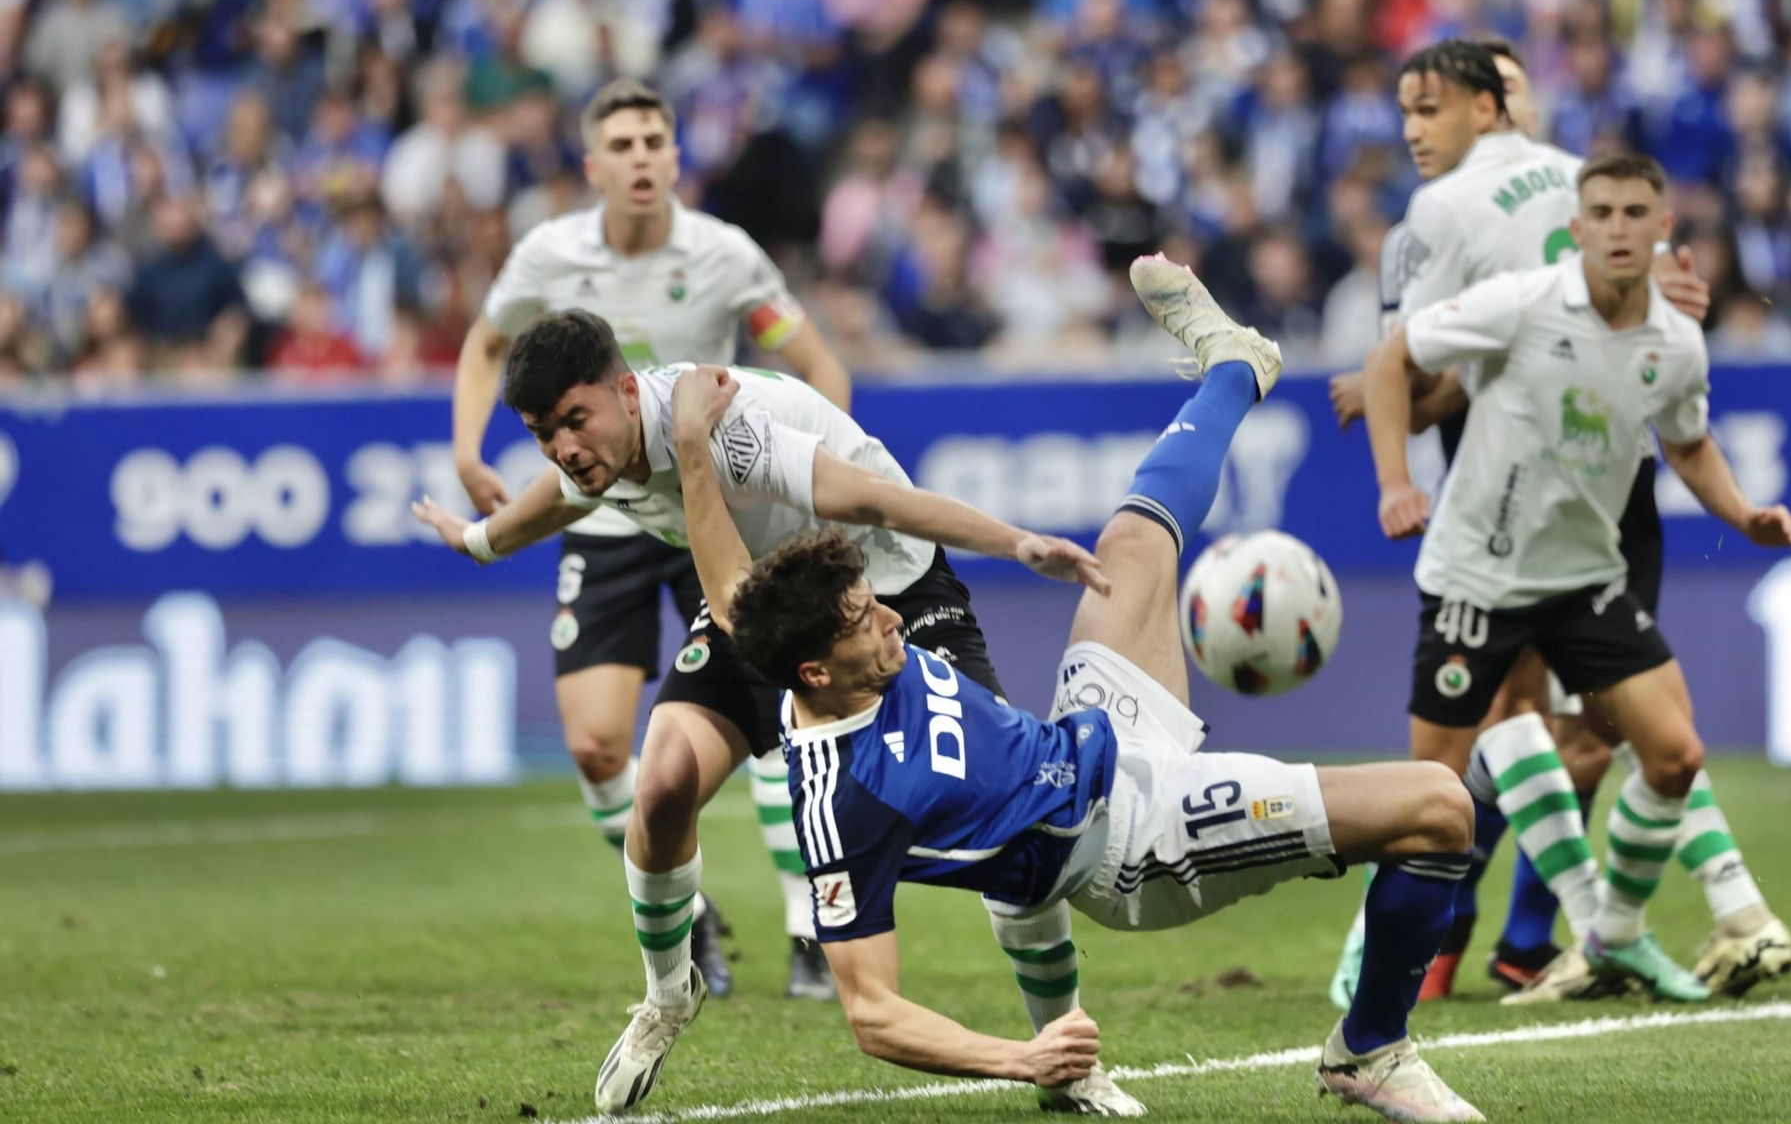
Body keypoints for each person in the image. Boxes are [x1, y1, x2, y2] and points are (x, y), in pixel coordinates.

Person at [665, 257, 1488, 1123]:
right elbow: (873, 1014)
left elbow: (732, 596)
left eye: (877, 605)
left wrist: (691, 450)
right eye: (868, 624)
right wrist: (1023, 1058)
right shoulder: (845, 800)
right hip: (1135, 844)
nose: (895, 624)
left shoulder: (792, 646)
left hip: (1089, 737)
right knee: (1440, 807)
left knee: (1130, 542)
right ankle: (1371, 1049)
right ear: (816, 673)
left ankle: (1235, 360)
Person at [411, 308, 1114, 1117]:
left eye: (574, 421)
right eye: (544, 433)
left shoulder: (725, 427)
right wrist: (477, 542)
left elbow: (876, 501)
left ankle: (1066, 1053)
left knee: (1012, 816)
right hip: (763, 599)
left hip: (885, 585)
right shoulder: (596, 450)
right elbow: (556, 499)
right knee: (664, 780)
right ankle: (668, 996)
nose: (565, 448)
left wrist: (1018, 543)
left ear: (626, 390)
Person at [1328, 40, 1791, 1006]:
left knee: (1616, 740)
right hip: (1491, 535)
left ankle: (1579, 934)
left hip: (1591, 533)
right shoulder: (1509, 265)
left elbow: (1417, 384)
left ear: (1500, 109)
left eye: (1433, 108)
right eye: (1405, 111)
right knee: (1464, 762)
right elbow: (1419, 377)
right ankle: (1444, 945)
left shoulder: (1619, 288)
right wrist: (1395, 450)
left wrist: (1744, 512)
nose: (1415, 129)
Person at [451, 78, 852, 999]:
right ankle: (687, 905)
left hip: (720, 510)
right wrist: (469, 450)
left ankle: (807, 931)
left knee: (774, 720)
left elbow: (816, 359)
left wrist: (811, 467)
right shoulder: (549, 256)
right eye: (622, 145)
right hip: (611, 513)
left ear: (677, 156)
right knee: (596, 745)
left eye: (655, 141)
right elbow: (483, 345)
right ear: (592, 166)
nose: (641, 158)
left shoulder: (725, 255)